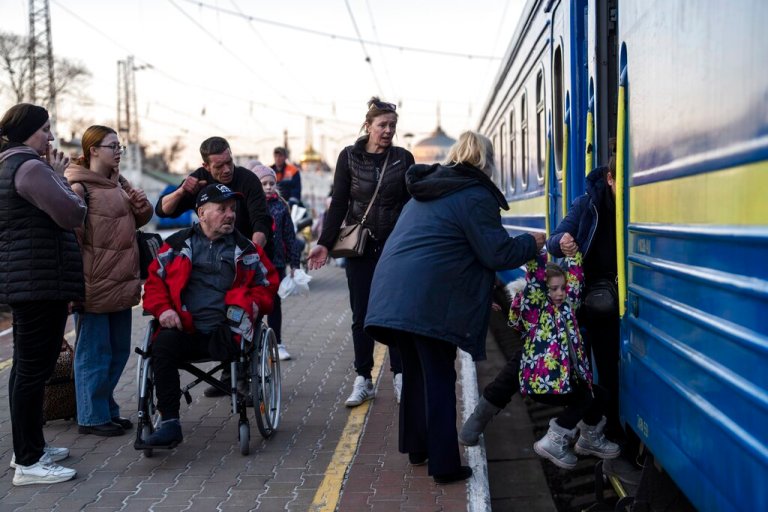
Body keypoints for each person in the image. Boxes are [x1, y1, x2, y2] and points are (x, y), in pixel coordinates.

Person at [364, 131, 544, 484]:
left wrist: (485, 292)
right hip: (426, 301)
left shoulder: (429, 191)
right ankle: (445, 465)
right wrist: (531, 243)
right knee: (439, 376)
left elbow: (451, 249)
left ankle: (418, 448)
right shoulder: (475, 194)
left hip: (392, 293)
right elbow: (496, 252)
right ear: (487, 162)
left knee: (416, 374)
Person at [140, 184, 278, 447]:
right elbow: (154, 284)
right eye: (222, 209)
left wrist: (256, 304)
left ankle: (240, 403)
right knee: (161, 346)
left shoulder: (246, 249)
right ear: (202, 213)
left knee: (241, 343)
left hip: (227, 331)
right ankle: (169, 423)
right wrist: (164, 309)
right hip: (185, 328)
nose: (230, 215)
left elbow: (267, 283)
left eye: (232, 209)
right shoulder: (175, 246)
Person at [308, 97, 415, 407]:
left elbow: (413, 202)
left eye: (392, 125)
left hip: (394, 247)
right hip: (361, 248)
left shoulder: (403, 158)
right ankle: (363, 378)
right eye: (382, 125)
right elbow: (339, 203)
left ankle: (400, 375)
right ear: (368, 126)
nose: (388, 130)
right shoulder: (349, 157)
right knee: (362, 314)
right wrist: (324, 242)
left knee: (396, 312)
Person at [0, 103, 86, 485]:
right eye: (46, 129)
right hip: (39, 281)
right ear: (28, 131)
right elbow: (72, 213)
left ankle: (28, 448)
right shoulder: (31, 168)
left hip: (28, 281)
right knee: (33, 371)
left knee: (25, 368)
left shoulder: (9, 164)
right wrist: (59, 178)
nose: (51, 137)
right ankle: (29, 462)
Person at [154, 136, 274, 397]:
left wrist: (250, 254)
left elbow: (261, 221)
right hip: (206, 250)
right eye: (219, 166)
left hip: (243, 250)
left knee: (246, 306)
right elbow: (162, 210)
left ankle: (241, 375)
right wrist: (183, 191)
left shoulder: (246, 180)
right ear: (206, 166)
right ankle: (225, 378)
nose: (227, 169)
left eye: (229, 162)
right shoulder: (198, 181)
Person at [64, 125, 153, 437]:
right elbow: (72, 242)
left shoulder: (119, 182)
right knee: (93, 355)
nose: (118, 152)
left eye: (119, 147)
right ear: (93, 150)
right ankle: (91, 416)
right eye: (112, 146)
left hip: (122, 282)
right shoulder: (79, 188)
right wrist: (72, 289)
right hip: (94, 286)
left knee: (118, 352)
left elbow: (134, 222)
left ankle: (106, 409)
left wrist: (141, 207)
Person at [511, 250, 620, 469]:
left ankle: (589, 438)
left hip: (561, 381)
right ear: (542, 290)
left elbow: (576, 282)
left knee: (600, 395)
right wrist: (536, 253)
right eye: (553, 289)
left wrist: (573, 254)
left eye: (562, 288)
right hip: (542, 382)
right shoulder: (536, 310)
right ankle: (553, 440)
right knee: (585, 398)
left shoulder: (567, 308)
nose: (560, 293)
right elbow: (535, 281)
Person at [250, 163, 301, 361]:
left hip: (277, 263)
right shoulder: (250, 205)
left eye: (271, 183)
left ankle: (277, 343)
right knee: (255, 303)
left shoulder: (281, 206)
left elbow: (289, 236)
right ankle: (254, 345)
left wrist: (294, 264)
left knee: (274, 304)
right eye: (264, 183)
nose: (268, 187)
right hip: (255, 263)